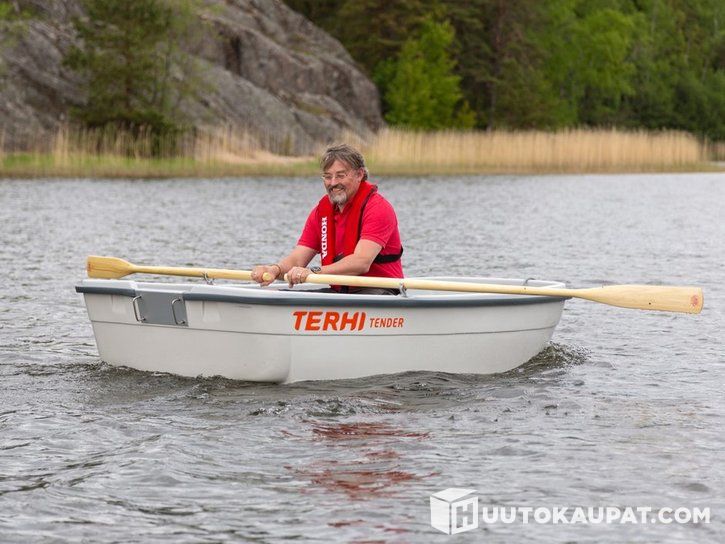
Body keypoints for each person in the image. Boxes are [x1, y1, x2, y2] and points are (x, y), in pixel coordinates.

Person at [251, 144, 403, 294]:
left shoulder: (378, 208)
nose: (333, 183)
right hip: (340, 293)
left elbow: (361, 262)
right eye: (328, 176)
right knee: (282, 294)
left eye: (340, 175)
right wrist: (274, 269)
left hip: (380, 292)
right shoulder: (321, 213)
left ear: (359, 174)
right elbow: (297, 260)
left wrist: (313, 271)